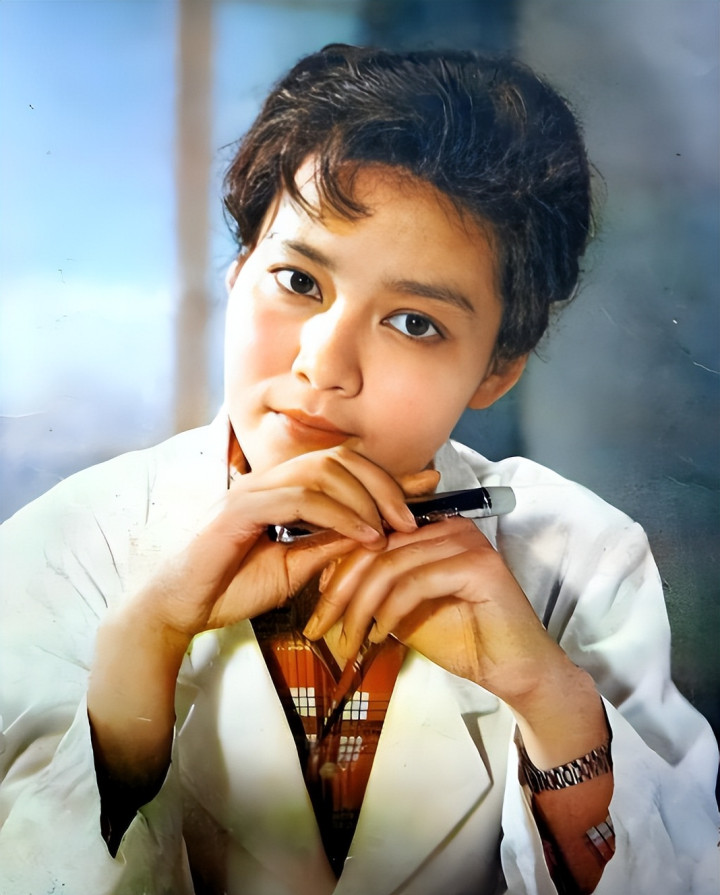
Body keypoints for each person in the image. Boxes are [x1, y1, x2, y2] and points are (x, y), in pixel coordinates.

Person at [0, 44, 717, 895]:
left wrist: (551, 699)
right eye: (298, 280)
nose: (324, 364)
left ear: (497, 370)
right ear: (237, 270)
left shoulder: (582, 555)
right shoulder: (64, 543)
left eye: (414, 323)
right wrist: (140, 651)